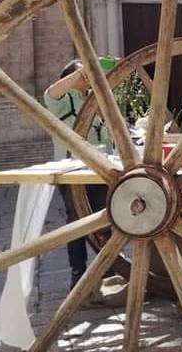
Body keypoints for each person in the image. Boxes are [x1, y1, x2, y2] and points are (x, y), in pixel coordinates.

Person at [44, 59, 112, 292]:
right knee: (77, 223)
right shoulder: (62, 103)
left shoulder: (93, 100)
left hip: (100, 172)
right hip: (74, 172)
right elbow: (49, 94)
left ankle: (112, 271)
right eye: (81, 74)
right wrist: (80, 73)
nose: (87, 77)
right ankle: (78, 275)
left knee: (106, 219)